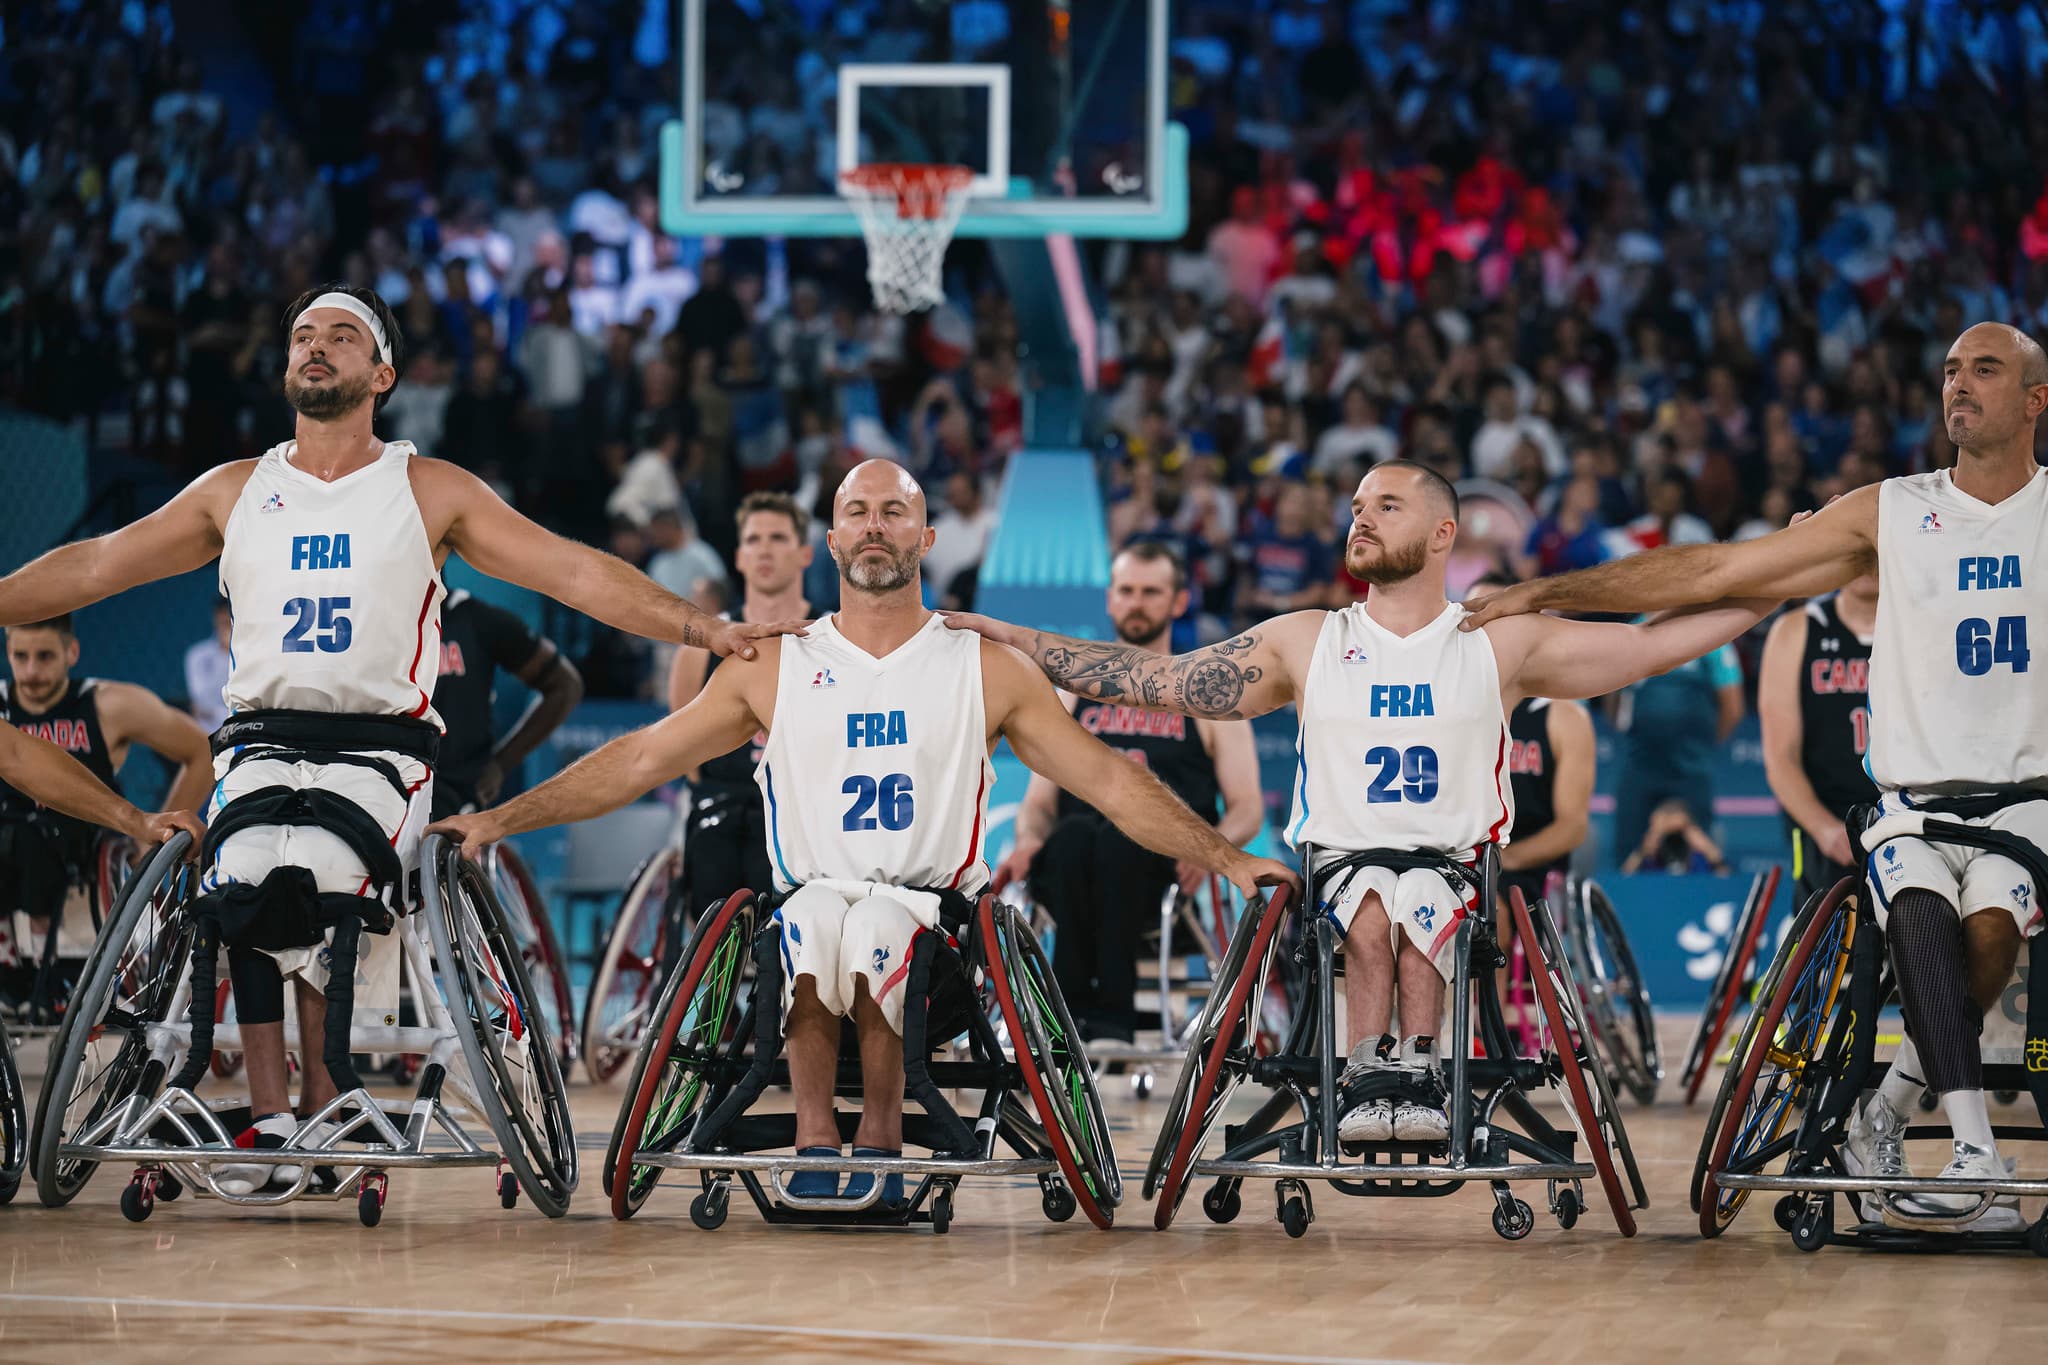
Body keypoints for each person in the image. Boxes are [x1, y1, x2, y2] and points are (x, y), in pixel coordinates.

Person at [0, 283, 787, 1197]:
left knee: (322, 877)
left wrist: (698, 628)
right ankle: (270, 1115)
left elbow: (571, 568)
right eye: (302, 335)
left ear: (384, 373)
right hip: (258, 739)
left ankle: (332, 1096)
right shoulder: (235, 490)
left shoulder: (428, 487)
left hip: (383, 744)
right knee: (236, 875)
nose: (316, 348)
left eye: (341, 335)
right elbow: (95, 564)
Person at [433, 460, 1297, 1205]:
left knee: (875, 921)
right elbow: (638, 760)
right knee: (816, 915)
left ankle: (879, 1140)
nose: (875, 525)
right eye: (857, 511)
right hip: (802, 929)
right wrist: (499, 820)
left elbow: (1109, 780)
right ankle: (817, 1141)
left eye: (894, 511)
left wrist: (1228, 857)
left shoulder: (983, 664)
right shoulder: (775, 661)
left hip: (939, 944)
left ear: (926, 536)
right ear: (832, 542)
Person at [948, 460, 1772, 1143]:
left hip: (1458, 875)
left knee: (1417, 898)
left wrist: (1776, 589)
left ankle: (1416, 1065)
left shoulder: (1499, 640)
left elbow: (1654, 645)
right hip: (1335, 876)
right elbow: (1159, 681)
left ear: (1444, 533)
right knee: (1373, 902)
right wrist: (1022, 642)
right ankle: (1369, 1069)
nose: (1361, 518)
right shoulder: (1308, 638)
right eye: (1355, 507)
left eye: (1387, 504)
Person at [1464, 321, 2048, 1225]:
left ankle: (1887, 1108)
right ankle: (1975, 1153)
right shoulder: (1890, 510)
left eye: (1986, 369)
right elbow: (1715, 571)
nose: (1958, 384)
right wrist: (1546, 590)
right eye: (1948, 371)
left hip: (2026, 802)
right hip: (1911, 806)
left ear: (2035, 399)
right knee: (1923, 918)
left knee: (1988, 934)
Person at [996, 543, 1265, 1045]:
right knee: (1075, 833)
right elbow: (1038, 805)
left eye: (1151, 592)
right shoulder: (1073, 690)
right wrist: (1029, 840)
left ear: (1179, 602)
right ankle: (1072, 1018)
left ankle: (1110, 1021)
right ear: (1110, 600)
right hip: (1073, 864)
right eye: (1127, 591)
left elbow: (1247, 806)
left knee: (1123, 840)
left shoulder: (1205, 692)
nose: (1137, 602)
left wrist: (1211, 851)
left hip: (1162, 870)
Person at [2, 614, 215, 1012]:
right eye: (20, 656)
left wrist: (147, 838)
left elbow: (202, 750)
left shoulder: (108, 704)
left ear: (72, 652)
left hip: (76, 841)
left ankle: (36, 967)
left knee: (34, 838)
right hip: (9, 837)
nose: (31, 672)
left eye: (45, 656)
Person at [665, 491, 815, 927]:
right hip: (724, 809)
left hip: (803, 813)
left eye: (778, 537)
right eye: (753, 539)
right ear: (739, 557)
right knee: (713, 841)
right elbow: (685, 753)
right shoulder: (700, 651)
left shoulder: (833, 639)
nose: (764, 548)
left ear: (805, 553)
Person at [1463, 573, 1596, 912]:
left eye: (1497, 617)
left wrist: (1503, 861)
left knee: (1491, 910)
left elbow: (1571, 827)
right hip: (1457, 859)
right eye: (1476, 618)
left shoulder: (1562, 717)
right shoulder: (1448, 705)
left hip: (1525, 870)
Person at [1758, 572, 1878, 908]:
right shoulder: (1796, 631)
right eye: (1858, 552)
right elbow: (1781, 758)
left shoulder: (1921, 626)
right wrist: (1824, 829)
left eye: (1875, 550)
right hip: (1827, 823)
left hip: (1906, 815)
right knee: (1831, 950)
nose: (1869, 564)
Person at [427, 590, 584, 820]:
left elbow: (566, 686)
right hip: (390, 791)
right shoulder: (379, 620)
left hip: (458, 803)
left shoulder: (474, 618)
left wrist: (502, 763)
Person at [1609, 607, 1745, 865]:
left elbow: (1733, 705)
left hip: (1691, 767)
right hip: (1641, 764)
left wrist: (1702, 746)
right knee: (1629, 854)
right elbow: (1612, 694)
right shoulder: (1631, 632)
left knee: (1702, 851)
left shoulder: (1711, 634)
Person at [184, 597, 233, 733]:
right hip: (207, 735)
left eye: (229, 612)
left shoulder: (250, 653)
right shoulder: (198, 654)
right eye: (221, 612)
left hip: (242, 733)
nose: (225, 618)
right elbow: (202, 702)